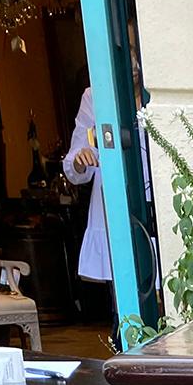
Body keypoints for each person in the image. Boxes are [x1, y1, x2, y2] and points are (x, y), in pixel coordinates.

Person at [62, 85, 110, 282]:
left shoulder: (152, 87)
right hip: (111, 205)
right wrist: (81, 159)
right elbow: (75, 168)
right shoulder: (96, 96)